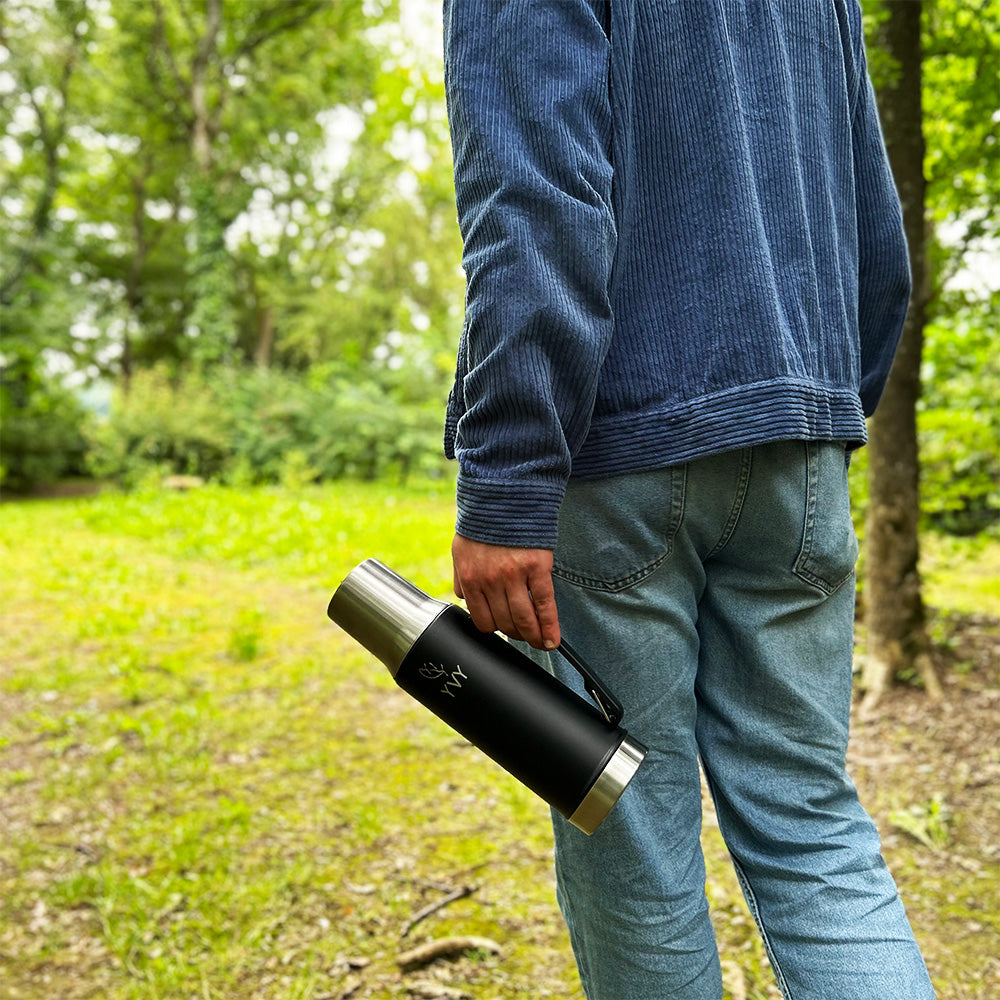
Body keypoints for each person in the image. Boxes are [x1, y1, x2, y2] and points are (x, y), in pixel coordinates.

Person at [441, 1, 936, 998]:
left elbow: (535, 200)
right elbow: (878, 241)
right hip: (799, 435)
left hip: (620, 449)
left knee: (629, 831)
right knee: (810, 823)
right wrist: (821, 424)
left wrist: (508, 475)